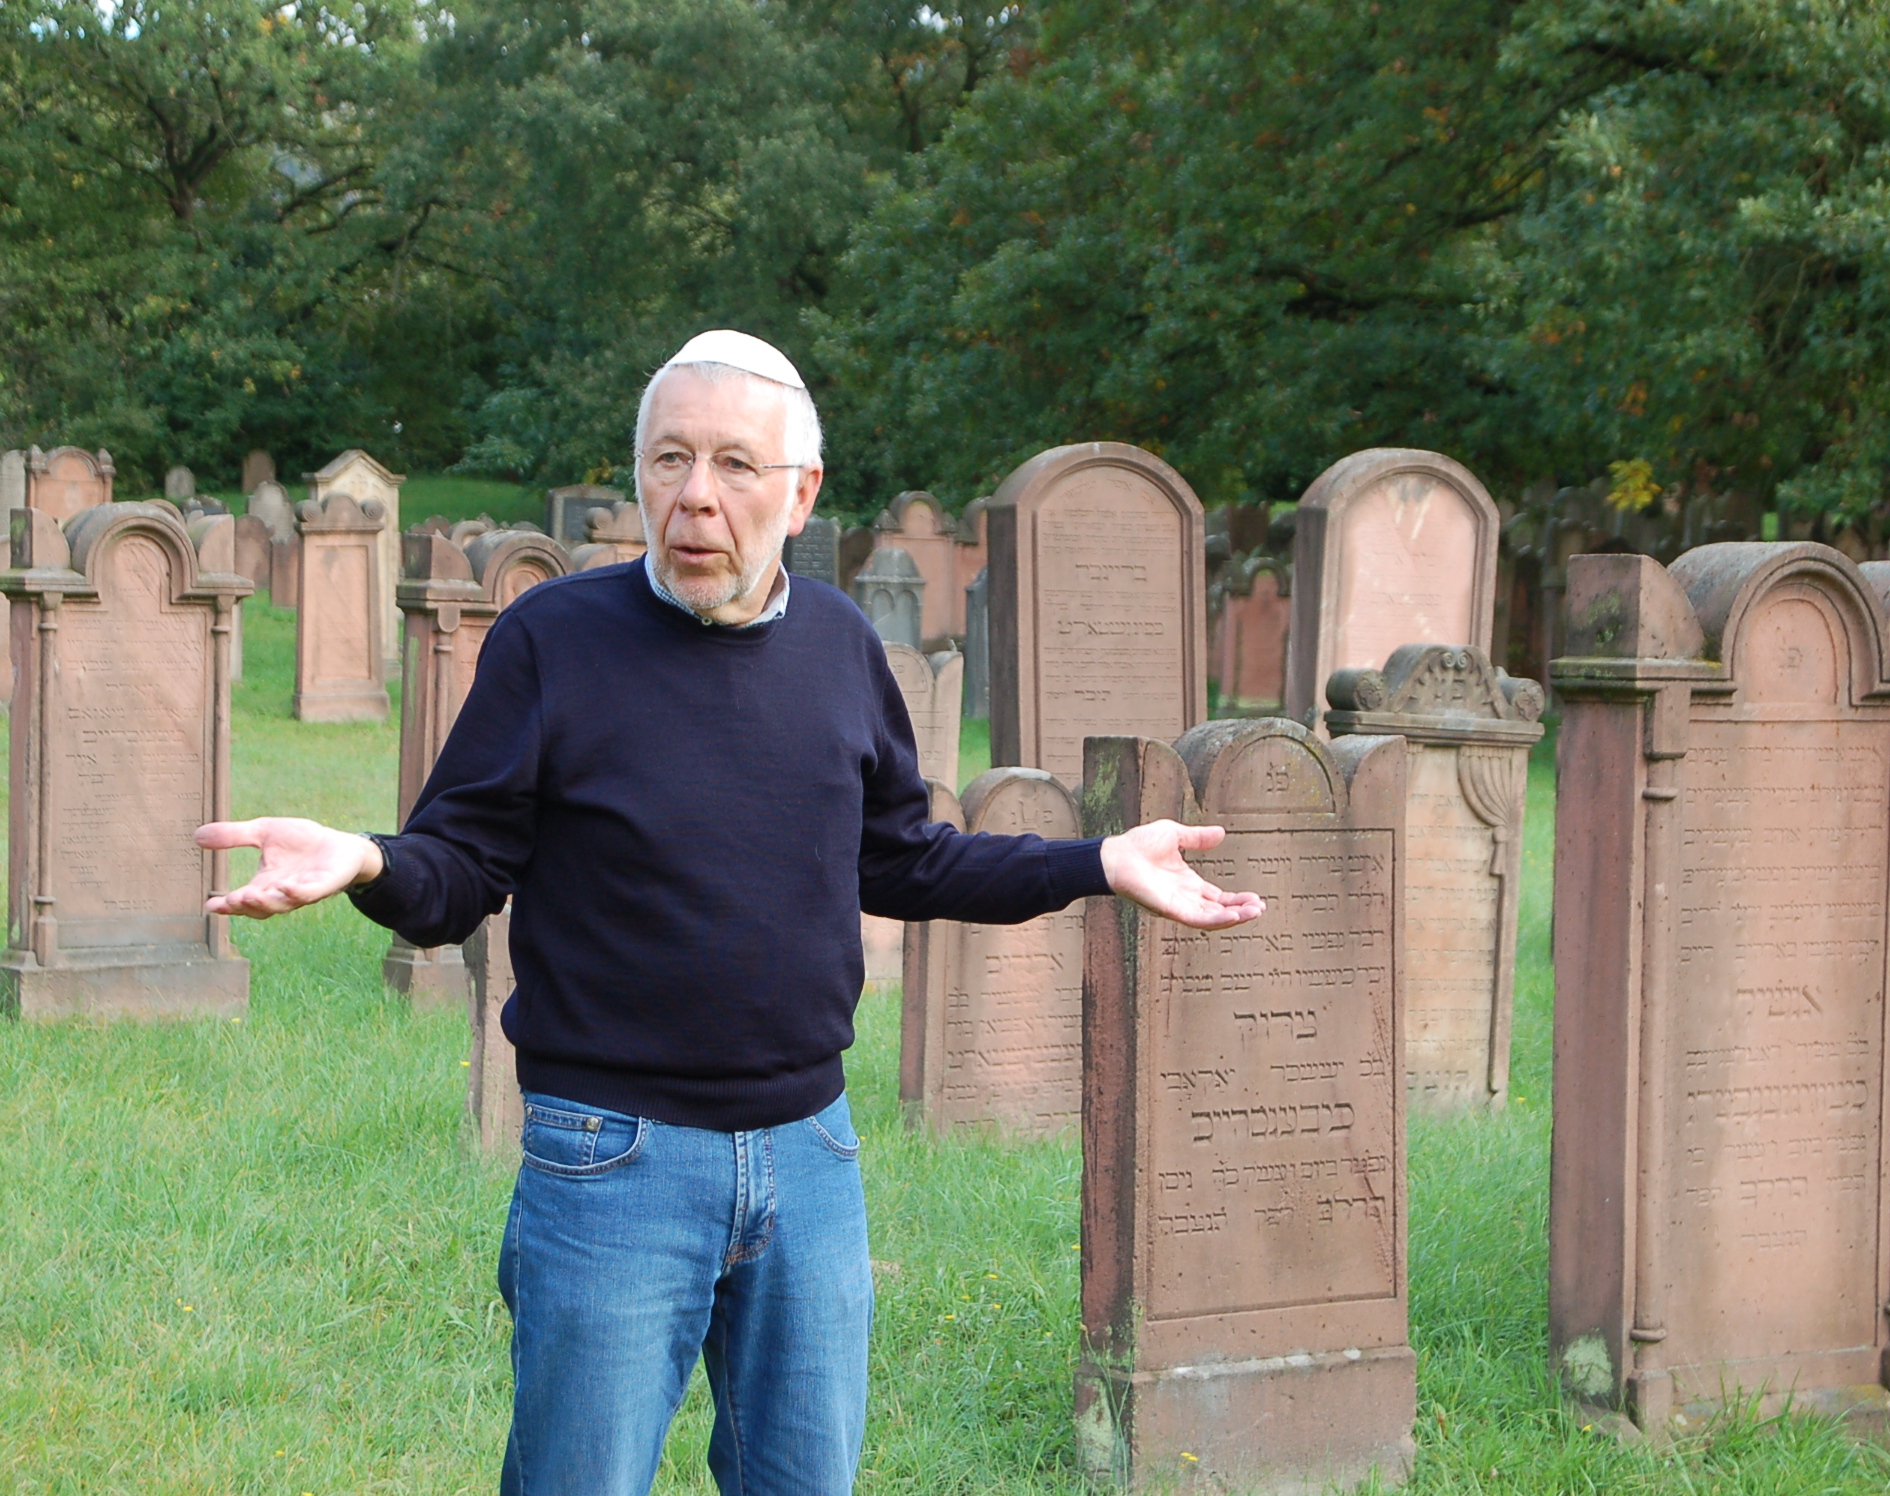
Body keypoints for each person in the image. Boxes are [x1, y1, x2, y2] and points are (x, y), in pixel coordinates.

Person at [196, 330, 1265, 1496]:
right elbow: (461, 869)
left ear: (800, 493)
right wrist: (363, 858)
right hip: (610, 1156)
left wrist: (1100, 858)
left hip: (811, 1157)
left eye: (736, 466)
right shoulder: (553, 642)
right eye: (670, 460)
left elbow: (904, 860)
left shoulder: (844, 649)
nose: (697, 496)